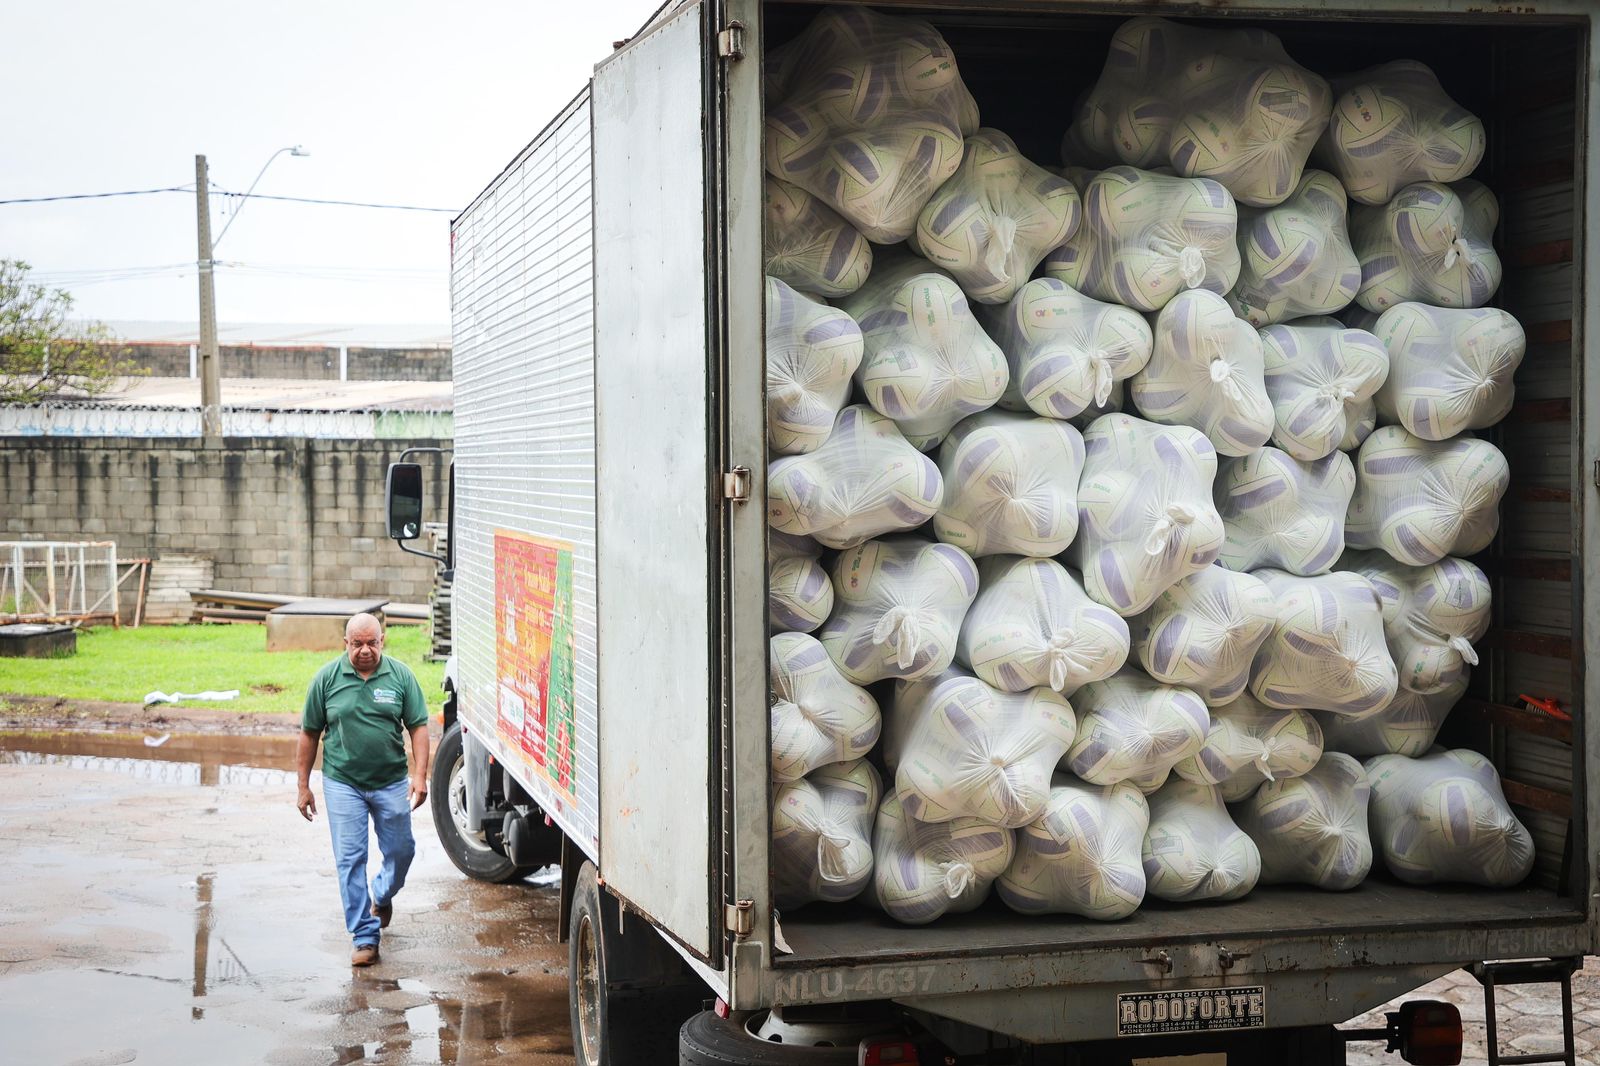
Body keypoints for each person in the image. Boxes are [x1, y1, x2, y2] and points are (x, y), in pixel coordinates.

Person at [296, 612, 430, 966]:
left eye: (372, 642)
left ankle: (382, 894)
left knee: (402, 851)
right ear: (346, 644)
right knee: (350, 859)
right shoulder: (327, 679)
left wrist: (420, 776)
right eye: (358, 644)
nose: (366, 650)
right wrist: (303, 786)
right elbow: (309, 732)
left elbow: (418, 726)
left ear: (382, 640)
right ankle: (364, 937)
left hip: (390, 781)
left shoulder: (400, 676)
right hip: (342, 783)